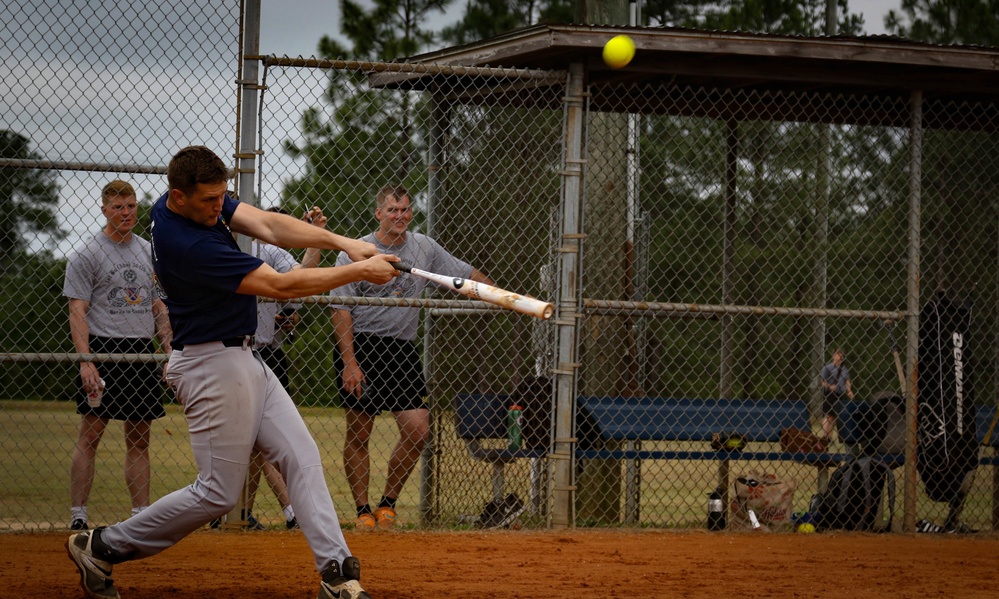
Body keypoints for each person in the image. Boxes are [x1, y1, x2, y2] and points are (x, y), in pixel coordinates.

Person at [65, 146, 399, 599]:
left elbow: (265, 223)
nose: (217, 207)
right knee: (217, 494)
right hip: (210, 365)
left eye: (221, 198)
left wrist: (343, 243)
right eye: (207, 200)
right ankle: (101, 545)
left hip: (245, 358)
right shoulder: (187, 244)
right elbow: (280, 284)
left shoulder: (189, 204)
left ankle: (337, 575)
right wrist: (359, 269)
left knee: (301, 458)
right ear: (178, 197)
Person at [330, 184, 494, 531]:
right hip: (361, 347)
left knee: (418, 430)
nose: (400, 216)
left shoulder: (423, 247)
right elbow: (341, 311)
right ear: (378, 214)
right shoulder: (356, 252)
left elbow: (461, 275)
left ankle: (387, 504)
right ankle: (362, 510)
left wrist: (495, 293)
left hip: (401, 349)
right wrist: (350, 363)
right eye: (392, 210)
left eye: (405, 210)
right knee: (360, 433)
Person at [63, 179, 173, 532]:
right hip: (104, 348)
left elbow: (158, 305)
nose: (126, 213)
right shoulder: (88, 253)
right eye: (118, 207)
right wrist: (86, 361)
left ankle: (141, 513)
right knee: (91, 434)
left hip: (141, 349)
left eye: (130, 206)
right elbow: (77, 310)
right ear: (104, 209)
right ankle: (78, 514)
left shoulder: (147, 251)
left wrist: (168, 351)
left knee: (140, 438)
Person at [209, 206, 322, 531]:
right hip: (222, 353)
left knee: (261, 441)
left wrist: (313, 239)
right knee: (240, 441)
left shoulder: (267, 251)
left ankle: (240, 514)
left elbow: (300, 281)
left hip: (263, 354)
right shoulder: (210, 245)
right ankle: (238, 510)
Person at [819, 348, 855, 440]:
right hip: (830, 394)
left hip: (839, 394)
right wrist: (829, 386)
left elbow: (847, 380)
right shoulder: (827, 368)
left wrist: (849, 391)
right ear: (834, 356)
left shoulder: (844, 369)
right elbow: (822, 381)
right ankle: (824, 435)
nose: (841, 356)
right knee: (829, 415)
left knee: (835, 416)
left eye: (842, 355)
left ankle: (829, 436)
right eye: (839, 354)